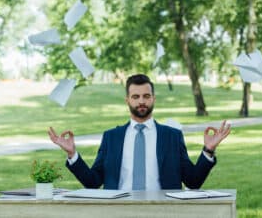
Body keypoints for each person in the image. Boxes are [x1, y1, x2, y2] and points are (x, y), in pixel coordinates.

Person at [48, 74, 231, 190]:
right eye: (135, 96)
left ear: (153, 99)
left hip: (162, 211)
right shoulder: (111, 137)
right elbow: (93, 182)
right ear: (127, 100)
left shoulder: (172, 136)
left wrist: (208, 150)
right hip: (119, 211)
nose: (141, 101)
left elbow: (193, 181)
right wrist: (72, 154)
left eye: (146, 96)